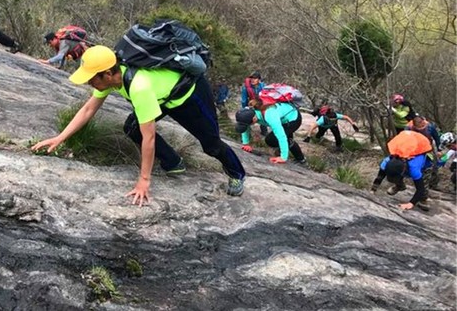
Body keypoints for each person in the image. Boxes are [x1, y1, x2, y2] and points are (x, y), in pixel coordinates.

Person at [31, 45, 246, 206]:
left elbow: (149, 137)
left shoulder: (138, 86)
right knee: (132, 126)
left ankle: (237, 174)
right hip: (162, 97)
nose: (89, 83)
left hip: (189, 96)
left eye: (91, 79)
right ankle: (173, 162)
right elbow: (88, 109)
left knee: (211, 145)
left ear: (107, 74)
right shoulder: (112, 78)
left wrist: (144, 180)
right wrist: (61, 137)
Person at [370, 130, 432, 211]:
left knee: (424, 184)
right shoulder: (386, 162)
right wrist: (372, 191)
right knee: (396, 175)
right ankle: (400, 186)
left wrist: (410, 204)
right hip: (405, 156)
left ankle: (423, 199)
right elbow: (380, 176)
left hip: (425, 163)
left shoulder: (414, 168)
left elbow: (420, 189)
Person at [235, 97, 307, 165]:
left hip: (293, 118)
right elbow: (246, 125)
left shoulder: (270, 115)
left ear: (254, 119)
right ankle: (284, 147)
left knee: (271, 140)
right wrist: (246, 144)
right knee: (277, 138)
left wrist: (283, 158)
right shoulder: (248, 111)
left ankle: (301, 159)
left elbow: (281, 136)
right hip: (282, 117)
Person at [241, 71, 267, 136]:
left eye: (255, 78)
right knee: (246, 118)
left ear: (259, 79)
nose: (252, 80)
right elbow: (244, 100)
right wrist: (245, 107)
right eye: (251, 78)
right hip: (252, 105)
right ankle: (247, 134)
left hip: (262, 105)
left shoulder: (264, 87)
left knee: (263, 118)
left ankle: (264, 131)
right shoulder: (246, 88)